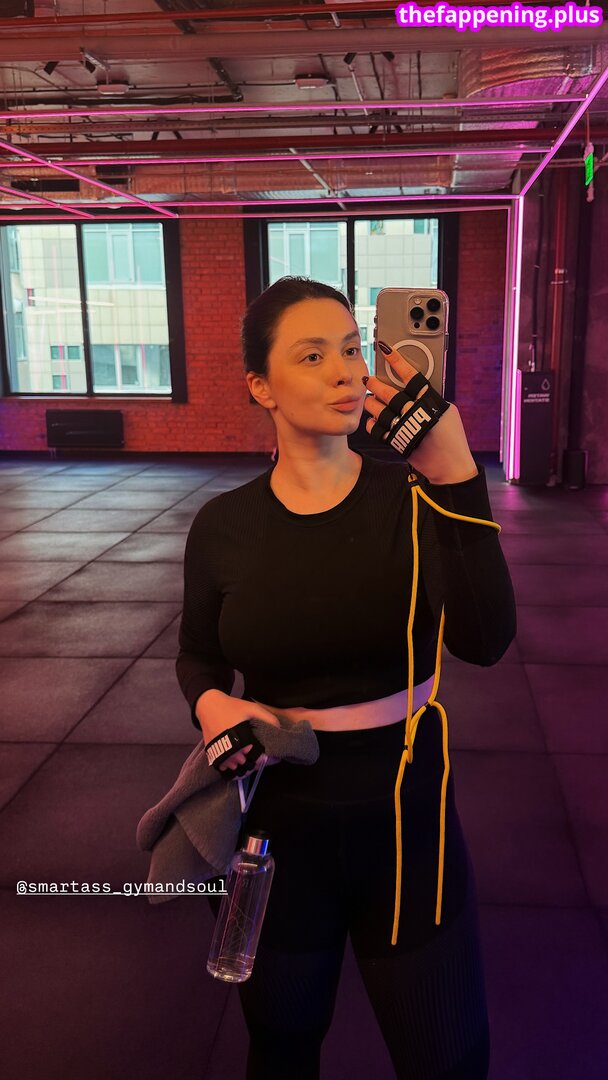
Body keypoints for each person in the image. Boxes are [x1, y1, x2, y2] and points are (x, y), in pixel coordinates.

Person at [176, 277, 516, 1080]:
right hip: (276, 824)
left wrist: (456, 473)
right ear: (261, 386)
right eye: (312, 355)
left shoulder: (415, 498)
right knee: (281, 1047)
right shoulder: (222, 527)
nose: (344, 371)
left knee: (447, 1057)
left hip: (406, 818)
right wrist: (211, 703)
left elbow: (486, 641)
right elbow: (197, 656)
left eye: (352, 348)